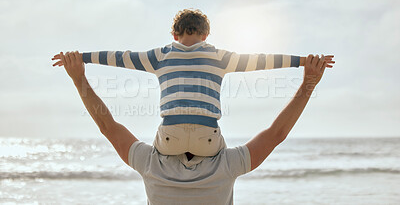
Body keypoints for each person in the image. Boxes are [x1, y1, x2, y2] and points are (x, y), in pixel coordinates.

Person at [52, 49, 334, 204]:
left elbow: (107, 126)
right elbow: (276, 134)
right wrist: (308, 82)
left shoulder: (151, 164)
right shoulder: (226, 166)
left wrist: (78, 78)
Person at [52, 9, 334, 158]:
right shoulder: (219, 57)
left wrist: (81, 58)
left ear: (174, 34)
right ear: (206, 34)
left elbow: (117, 58)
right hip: (207, 140)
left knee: (158, 148)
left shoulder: (159, 56)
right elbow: (263, 60)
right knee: (221, 154)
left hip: (169, 139)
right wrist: (302, 61)